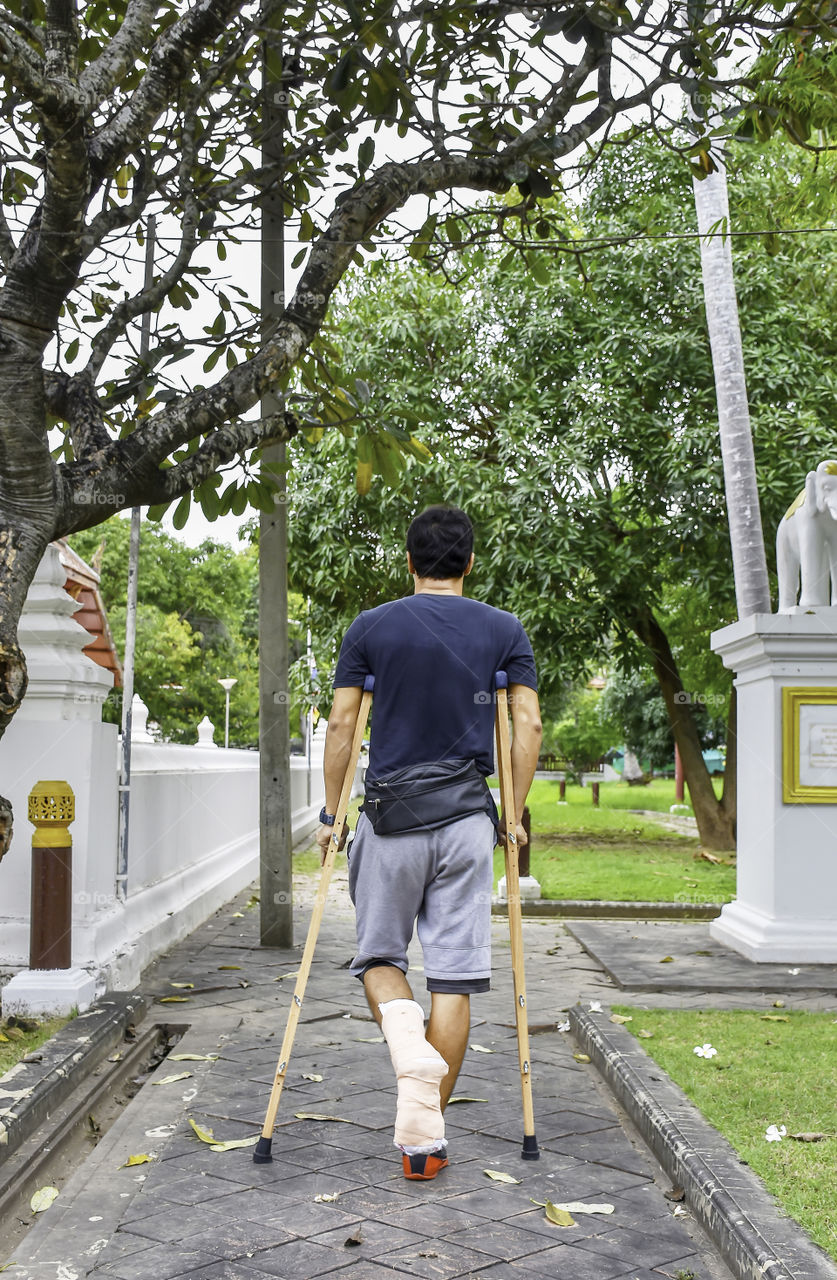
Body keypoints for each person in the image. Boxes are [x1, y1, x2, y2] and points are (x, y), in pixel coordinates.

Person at [316, 504, 542, 1180]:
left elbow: (341, 723)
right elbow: (524, 725)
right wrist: (514, 812)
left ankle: (405, 1048)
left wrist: (331, 816)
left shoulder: (371, 628)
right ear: (469, 563)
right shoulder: (503, 630)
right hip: (469, 821)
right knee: (453, 978)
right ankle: (423, 1141)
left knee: (379, 957)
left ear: (407, 561)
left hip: (389, 821)